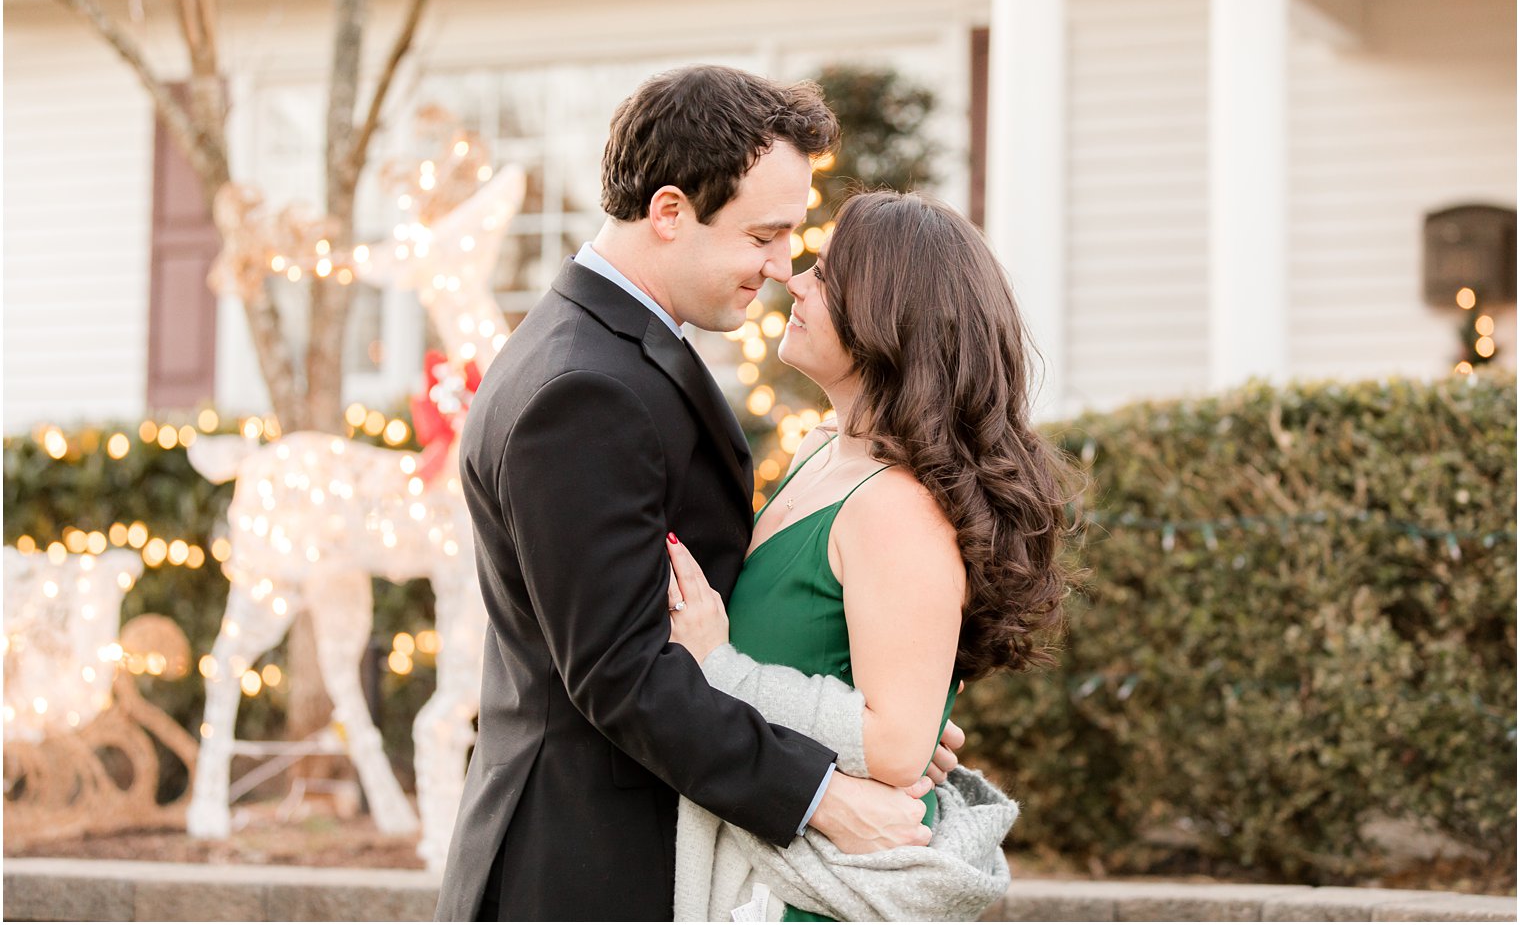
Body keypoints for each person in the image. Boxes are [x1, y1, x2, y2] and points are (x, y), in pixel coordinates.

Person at [433, 66, 963, 922]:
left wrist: (863, 732)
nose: (781, 266)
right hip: (584, 866)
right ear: (671, 211)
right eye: (764, 234)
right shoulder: (585, 389)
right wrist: (823, 794)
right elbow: (621, 672)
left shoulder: (610, 350)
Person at [663, 189, 1079, 921]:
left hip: (814, 902)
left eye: (825, 274)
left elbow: (892, 743)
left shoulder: (896, 506)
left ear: (888, 316)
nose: (794, 281)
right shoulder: (819, 452)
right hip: (765, 869)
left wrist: (720, 667)